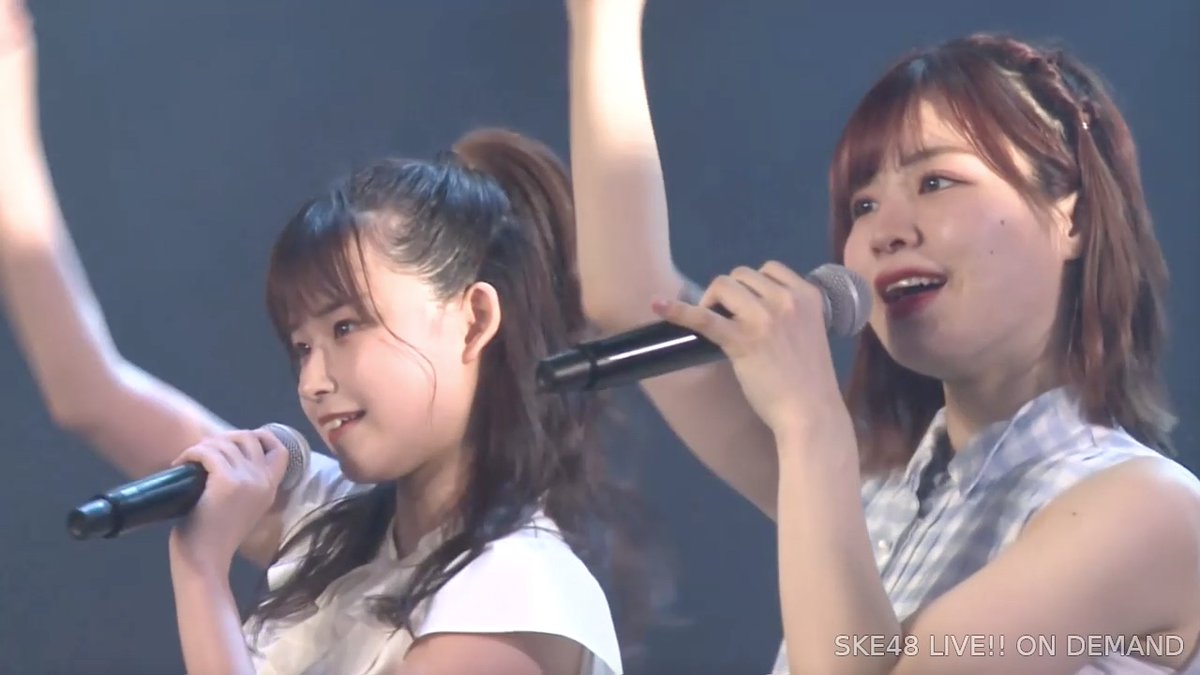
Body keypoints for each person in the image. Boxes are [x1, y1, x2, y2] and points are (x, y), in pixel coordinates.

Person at [0, 2, 650, 673]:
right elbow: (88, 392)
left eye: (346, 327)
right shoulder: (337, 523)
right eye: (302, 346)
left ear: (475, 318)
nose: (312, 382)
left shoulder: (519, 591)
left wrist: (200, 573)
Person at [566, 0, 1200, 673]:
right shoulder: (875, 492)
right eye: (863, 204)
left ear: (1074, 218)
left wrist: (809, 419)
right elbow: (631, 296)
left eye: (936, 181)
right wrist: (604, 24)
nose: (883, 231)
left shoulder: (1149, 510)